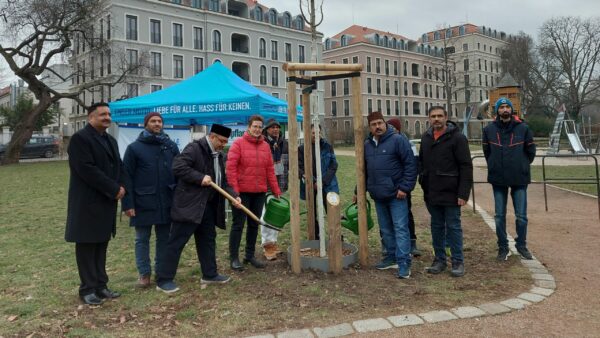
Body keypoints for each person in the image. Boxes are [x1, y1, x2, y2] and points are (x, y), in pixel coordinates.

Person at [155, 124, 241, 293]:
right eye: (221, 141)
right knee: (177, 242)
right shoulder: (194, 148)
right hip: (189, 205)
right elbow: (178, 166)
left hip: (208, 207)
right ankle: (163, 279)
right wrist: (199, 177)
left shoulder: (219, 156)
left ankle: (209, 274)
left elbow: (221, 183)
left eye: (226, 141)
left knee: (207, 240)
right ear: (212, 136)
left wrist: (234, 196)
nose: (223, 144)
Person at [65, 102, 127, 305]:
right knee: (87, 246)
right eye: (102, 114)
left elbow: (118, 165)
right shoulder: (80, 139)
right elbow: (87, 170)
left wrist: (121, 186)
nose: (107, 117)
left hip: (106, 202)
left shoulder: (110, 139)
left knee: (101, 244)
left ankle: (101, 286)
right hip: (87, 202)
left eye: (109, 114)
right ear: (91, 117)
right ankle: (88, 289)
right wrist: (113, 188)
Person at [122, 112, 180, 288]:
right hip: (142, 201)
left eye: (160, 121)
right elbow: (126, 177)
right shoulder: (134, 148)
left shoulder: (170, 146)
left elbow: (178, 171)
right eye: (153, 121)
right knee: (142, 239)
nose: (157, 124)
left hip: (166, 200)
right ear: (145, 124)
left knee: (164, 239)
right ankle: (144, 274)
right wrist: (128, 204)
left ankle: (161, 272)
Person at [361, 111, 417, 279]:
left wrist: (404, 188)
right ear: (370, 127)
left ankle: (404, 262)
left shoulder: (398, 140)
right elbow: (364, 169)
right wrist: (360, 190)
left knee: (400, 229)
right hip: (378, 195)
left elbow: (411, 165)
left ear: (385, 123)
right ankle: (390, 257)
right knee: (385, 229)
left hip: (396, 195)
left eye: (380, 123)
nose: (377, 126)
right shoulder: (367, 145)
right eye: (373, 124)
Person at [419, 106, 473, 277]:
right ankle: (439, 260)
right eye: (433, 116)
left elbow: (466, 166)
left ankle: (457, 261)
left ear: (446, 117)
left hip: (451, 192)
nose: (436, 119)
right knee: (436, 227)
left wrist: (463, 193)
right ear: (429, 118)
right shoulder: (426, 138)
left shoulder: (458, 138)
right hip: (432, 192)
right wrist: (423, 182)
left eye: (439, 116)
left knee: (453, 227)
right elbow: (422, 163)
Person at [483, 98, 536, 261]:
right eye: (501, 107)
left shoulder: (523, 128)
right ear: (497, 110)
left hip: (519, 177)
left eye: (507, 107)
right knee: (499, 215)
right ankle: (503, 247)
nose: (505, 110)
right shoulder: (489, 130)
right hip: (498, 177)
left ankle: (521, 245)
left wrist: (522, 165)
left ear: (511, 109)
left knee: (521, 216)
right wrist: (494, 164)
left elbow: (531, 151)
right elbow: (487, 151)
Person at [226, 115, 281, 271]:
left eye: (259, 127)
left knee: (253, 224)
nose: (257, 129)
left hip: (259, 192)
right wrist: (234, 192)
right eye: (254, 126)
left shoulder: (265, 147)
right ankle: (234, 258)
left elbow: (270, 170)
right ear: (249, 127)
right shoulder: (238, 144)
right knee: (238, 225)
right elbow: (231, 170)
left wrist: (276, 189)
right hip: (242, 193)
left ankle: (249, 255)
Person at [387, 118, 421, 257]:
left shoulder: (408, 143)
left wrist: (406, 185)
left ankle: (412, 243)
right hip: (388, 186)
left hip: (403, 186)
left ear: (398, 129)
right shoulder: (384, 141)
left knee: (407, 215)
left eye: (392, 127)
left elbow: (414, 164)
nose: (389, 129)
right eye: (387, 126)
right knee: (388, 217)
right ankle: (390, 244)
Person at [298, 124, 339, 240]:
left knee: (332, 211)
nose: (316, 135)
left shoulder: (327, 146)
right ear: (307, 133)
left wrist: (323, 181)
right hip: (310, 184)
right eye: (313, 133)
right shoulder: (302, 149)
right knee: (312, 212)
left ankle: (335, 237)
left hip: (327, 184)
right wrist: (307, 177)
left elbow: (334, 165)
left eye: (318, 132)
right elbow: (298, 167)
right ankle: (315, 237)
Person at [261, 118, 289, 260]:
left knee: (278, 214)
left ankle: (274, 243)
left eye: (277, 127)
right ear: (267, 129)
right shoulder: (263, 143)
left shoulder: (284, 143)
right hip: (266, 185)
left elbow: (288, 163)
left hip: (280, 183)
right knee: (267, 214)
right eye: (272, 127)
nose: (275, 129)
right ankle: (267, 244)